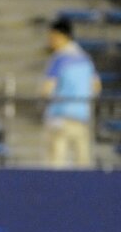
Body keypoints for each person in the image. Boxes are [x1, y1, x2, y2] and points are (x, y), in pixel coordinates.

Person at [42, 18, 100, 167]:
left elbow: (47, 89)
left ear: (61, 36)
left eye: (52, 37)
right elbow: (96, 86)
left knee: (56, 165)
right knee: (83, 165)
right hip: (82, 117)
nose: (50, 41)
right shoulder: (85, 59)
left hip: (60, 119)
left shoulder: (59, 59)